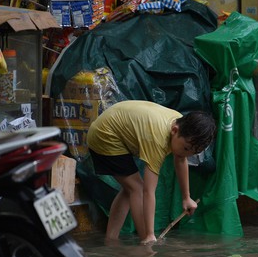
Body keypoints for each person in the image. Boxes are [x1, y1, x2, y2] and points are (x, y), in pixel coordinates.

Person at [86, 100, 216, 244]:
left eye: (192, 152)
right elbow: (148, 191)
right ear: (174, 130)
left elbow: (180, 159)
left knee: (129, 189)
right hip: (104, 136)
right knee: (138, 189)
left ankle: (111, 240)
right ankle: (147, 244)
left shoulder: (181, 125)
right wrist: (149, 234)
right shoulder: (158, 138)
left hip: (114, 131)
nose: (187, 154)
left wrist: (186, 197)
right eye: (186, 148)